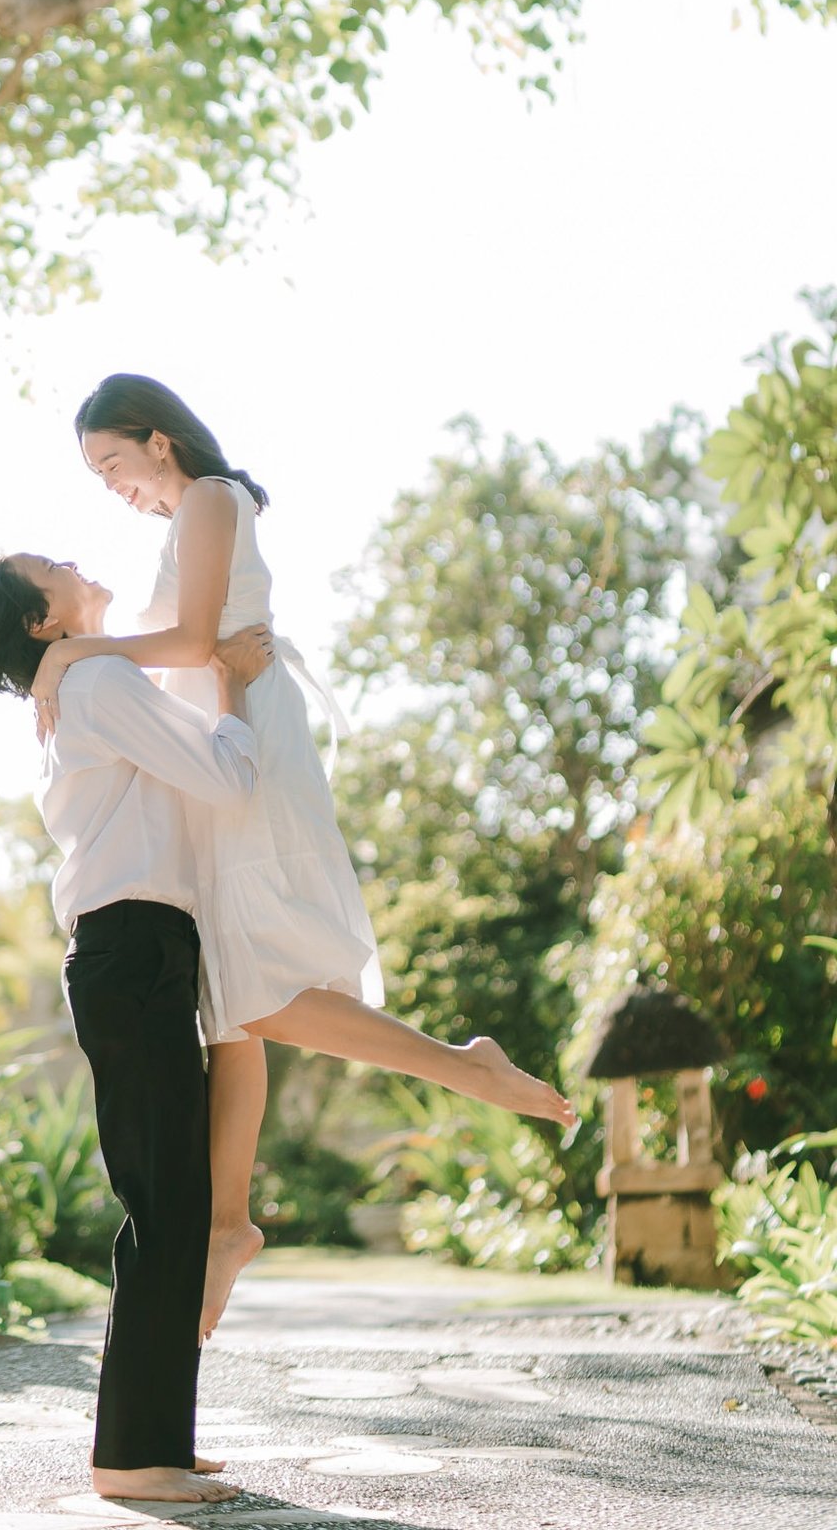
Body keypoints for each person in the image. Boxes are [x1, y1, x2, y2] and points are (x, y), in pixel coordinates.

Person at [31, 373, 575, 1340]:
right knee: (228, 1010)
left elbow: (199, 639)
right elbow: (194, 647)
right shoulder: (184, 518)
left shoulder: (207, 497)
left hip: (248, 743)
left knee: (255, 993)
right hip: (217, 744)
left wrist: (77, 654)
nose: (111, 485)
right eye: (97, 476)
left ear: (159, 441)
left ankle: (462, 1065)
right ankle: (230, 1223)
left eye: (113, 462)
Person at [0, 548, 275, 1507]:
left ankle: (155, 1439)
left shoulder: (86, 679)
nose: (74, 558)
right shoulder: (100, 681)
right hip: (133, 949)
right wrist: (235, 691)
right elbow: (229, 779)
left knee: (171, 1201)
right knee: (164, 1207)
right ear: (45, 619)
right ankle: (131, 1457)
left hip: (134, 950)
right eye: (52, 564)